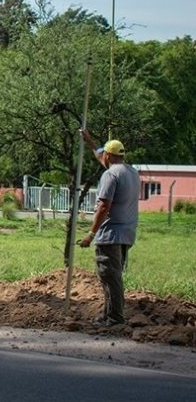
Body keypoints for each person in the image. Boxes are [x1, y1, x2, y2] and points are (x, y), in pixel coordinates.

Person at [78, 129, 140, 327]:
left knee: (109, 276)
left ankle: (115, 319)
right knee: (112, 275)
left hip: (110, 235)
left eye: (103, 153)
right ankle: (108, 315)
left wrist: (90, 234)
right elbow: (99, 154)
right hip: (127, 233)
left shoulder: (110, 175)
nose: (101, 156)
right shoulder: (130, 171)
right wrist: (89, 141)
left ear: (108, 155)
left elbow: (104, 206)